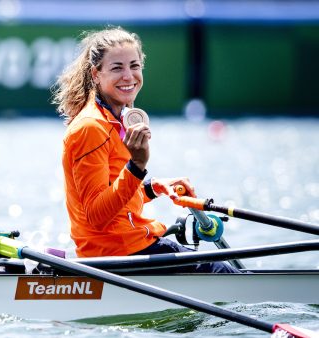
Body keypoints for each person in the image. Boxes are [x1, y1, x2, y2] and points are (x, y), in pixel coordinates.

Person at [52, 26, 240, 273]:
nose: (129, 76)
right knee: (223, 273)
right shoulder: (91, 128)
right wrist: (137, 166)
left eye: (134, 66)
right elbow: (96, 215)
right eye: (117, 68)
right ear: (96, 74)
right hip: (118, 253)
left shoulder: (114, 118)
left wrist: (152, 188)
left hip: (126, 245)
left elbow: (116, 194)